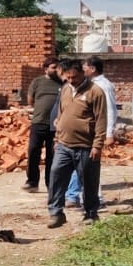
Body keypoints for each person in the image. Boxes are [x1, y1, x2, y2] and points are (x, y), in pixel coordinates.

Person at [47, 59, 108, 228]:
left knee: (88, 182)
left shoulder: (95, 92)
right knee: (56, 176)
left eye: (74, 77)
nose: (71, 80)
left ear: (82, 73)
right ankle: (56, 213)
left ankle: (91, 214)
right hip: (64, 145)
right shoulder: (66, 89)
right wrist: (57, 139)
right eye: (68, 77)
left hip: (86, 146)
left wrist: (97, 145)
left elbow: (101, 120)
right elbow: (61, 114)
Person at [65, 56, 116, 207]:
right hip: (84, 133)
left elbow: (109, 111)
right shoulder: (87, 85)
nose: (82, 70)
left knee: (89, 166)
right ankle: (74, 196)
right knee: (82, 165)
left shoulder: (103, 86)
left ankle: (92, 198)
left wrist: (109, 133)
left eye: (85, 68)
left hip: (94, 133)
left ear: (92, 69)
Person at [23, 58, 61, 193]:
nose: (56, 70)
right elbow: (30, 100)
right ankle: (32, 182)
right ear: (46, 69)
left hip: (56, 126)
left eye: (58, 67)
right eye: (53, 67)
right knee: (33, 151)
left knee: (52, 155)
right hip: (38, 122)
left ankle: (50, 183)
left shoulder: (62, 83)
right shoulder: (37, 82)